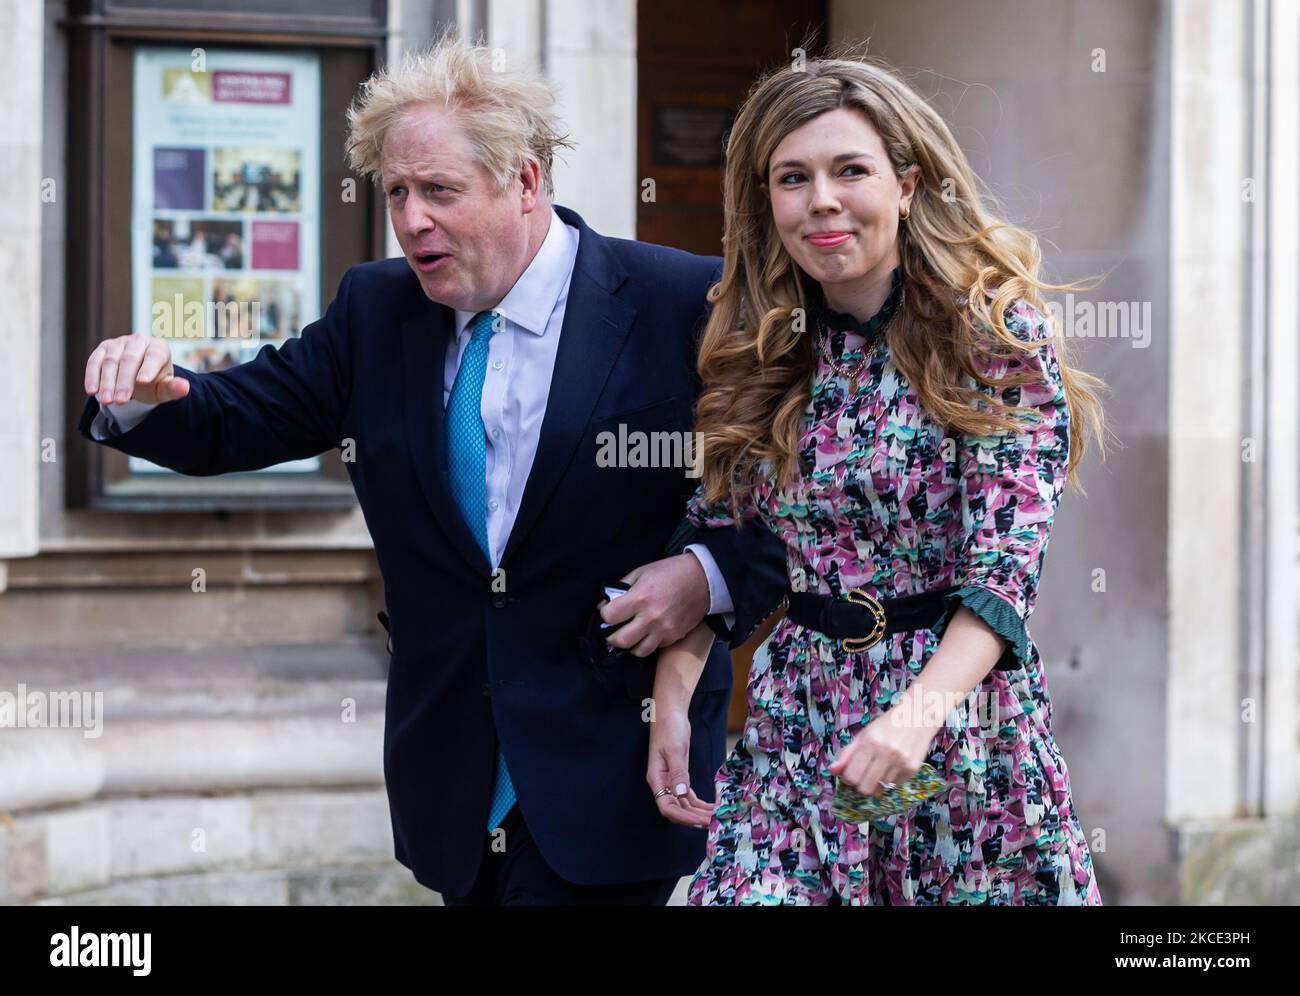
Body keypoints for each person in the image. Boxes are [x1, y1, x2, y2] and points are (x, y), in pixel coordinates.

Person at [78, 35, 786, 906]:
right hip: (451, 777)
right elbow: (236, 420)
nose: (412, 220)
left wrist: (705, 576)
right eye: (397, 193)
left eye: (439, 192)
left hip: (613, 768)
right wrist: (151, 393)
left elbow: (791, 505)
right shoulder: (375, 309)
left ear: (525, 182)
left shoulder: (681, 302)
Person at [649, 55, 1107, 905]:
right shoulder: (765, 346)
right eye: (793, 178)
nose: (820, 199)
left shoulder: (992, 332)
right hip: (796, 722)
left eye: (848, 170)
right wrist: (671, 701)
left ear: (906, 184)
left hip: (954, 724)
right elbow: (722, 528)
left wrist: (917, 717)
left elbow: (1005, 567)